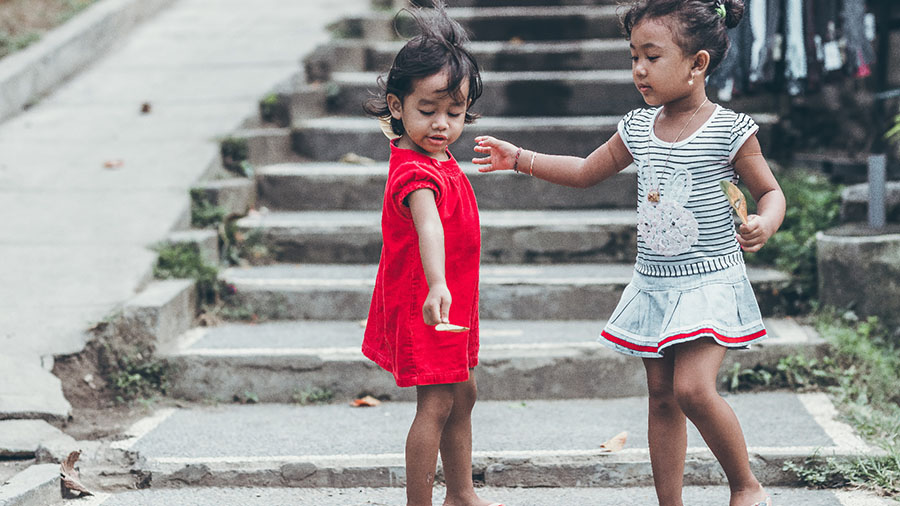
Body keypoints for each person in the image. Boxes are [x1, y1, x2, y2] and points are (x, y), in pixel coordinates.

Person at [472, 1, 785, 505]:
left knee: (692, 390)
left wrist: (764, 223)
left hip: (709, 279)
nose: (639, 69)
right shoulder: (638, 127)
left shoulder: (730, 129)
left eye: (652, 56)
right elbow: (582, 172)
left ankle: (746, 486)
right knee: (662, 398)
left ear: (697, 64)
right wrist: (520, 159)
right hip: (656, 283)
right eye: (633, 56)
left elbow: (771, 192)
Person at [361, 3, 502, 506]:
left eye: (455, 112)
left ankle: (461, 494)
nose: (442, 124)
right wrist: (439, 283)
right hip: (431, 298)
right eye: (428, 111)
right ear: (397, 106)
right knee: (437, 402)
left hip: (450, 298)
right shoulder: (415, 172)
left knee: (462, 393)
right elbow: (428, 229)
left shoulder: (435, 156)